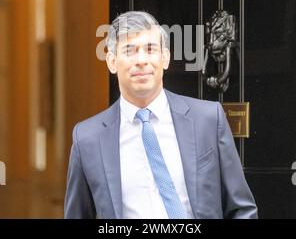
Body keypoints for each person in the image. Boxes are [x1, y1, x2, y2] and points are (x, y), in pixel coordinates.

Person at [64, 11, 258, 219]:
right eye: (130, 50)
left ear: (165, 58)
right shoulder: (87, 139)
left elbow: (242, 210)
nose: (141, 60)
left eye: (150, 49)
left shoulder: (208, 120)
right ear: (112, 62)